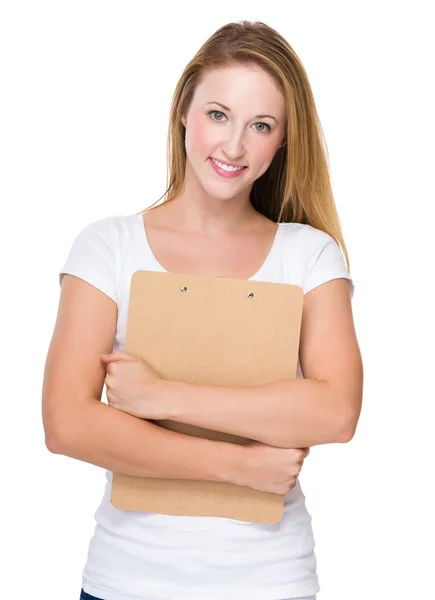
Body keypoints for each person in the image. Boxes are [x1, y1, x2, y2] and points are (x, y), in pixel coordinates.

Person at [42, 19, 363, 600]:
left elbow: (336, 411)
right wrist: (236, 466)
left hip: (270, 584)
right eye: (218, 115)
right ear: (184, 111)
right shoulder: (108, 246)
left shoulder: (309, 254)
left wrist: (163, 396)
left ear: (283, 140)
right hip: (126, 581)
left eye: (260, 125)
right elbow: (66, 424)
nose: (234, 146)